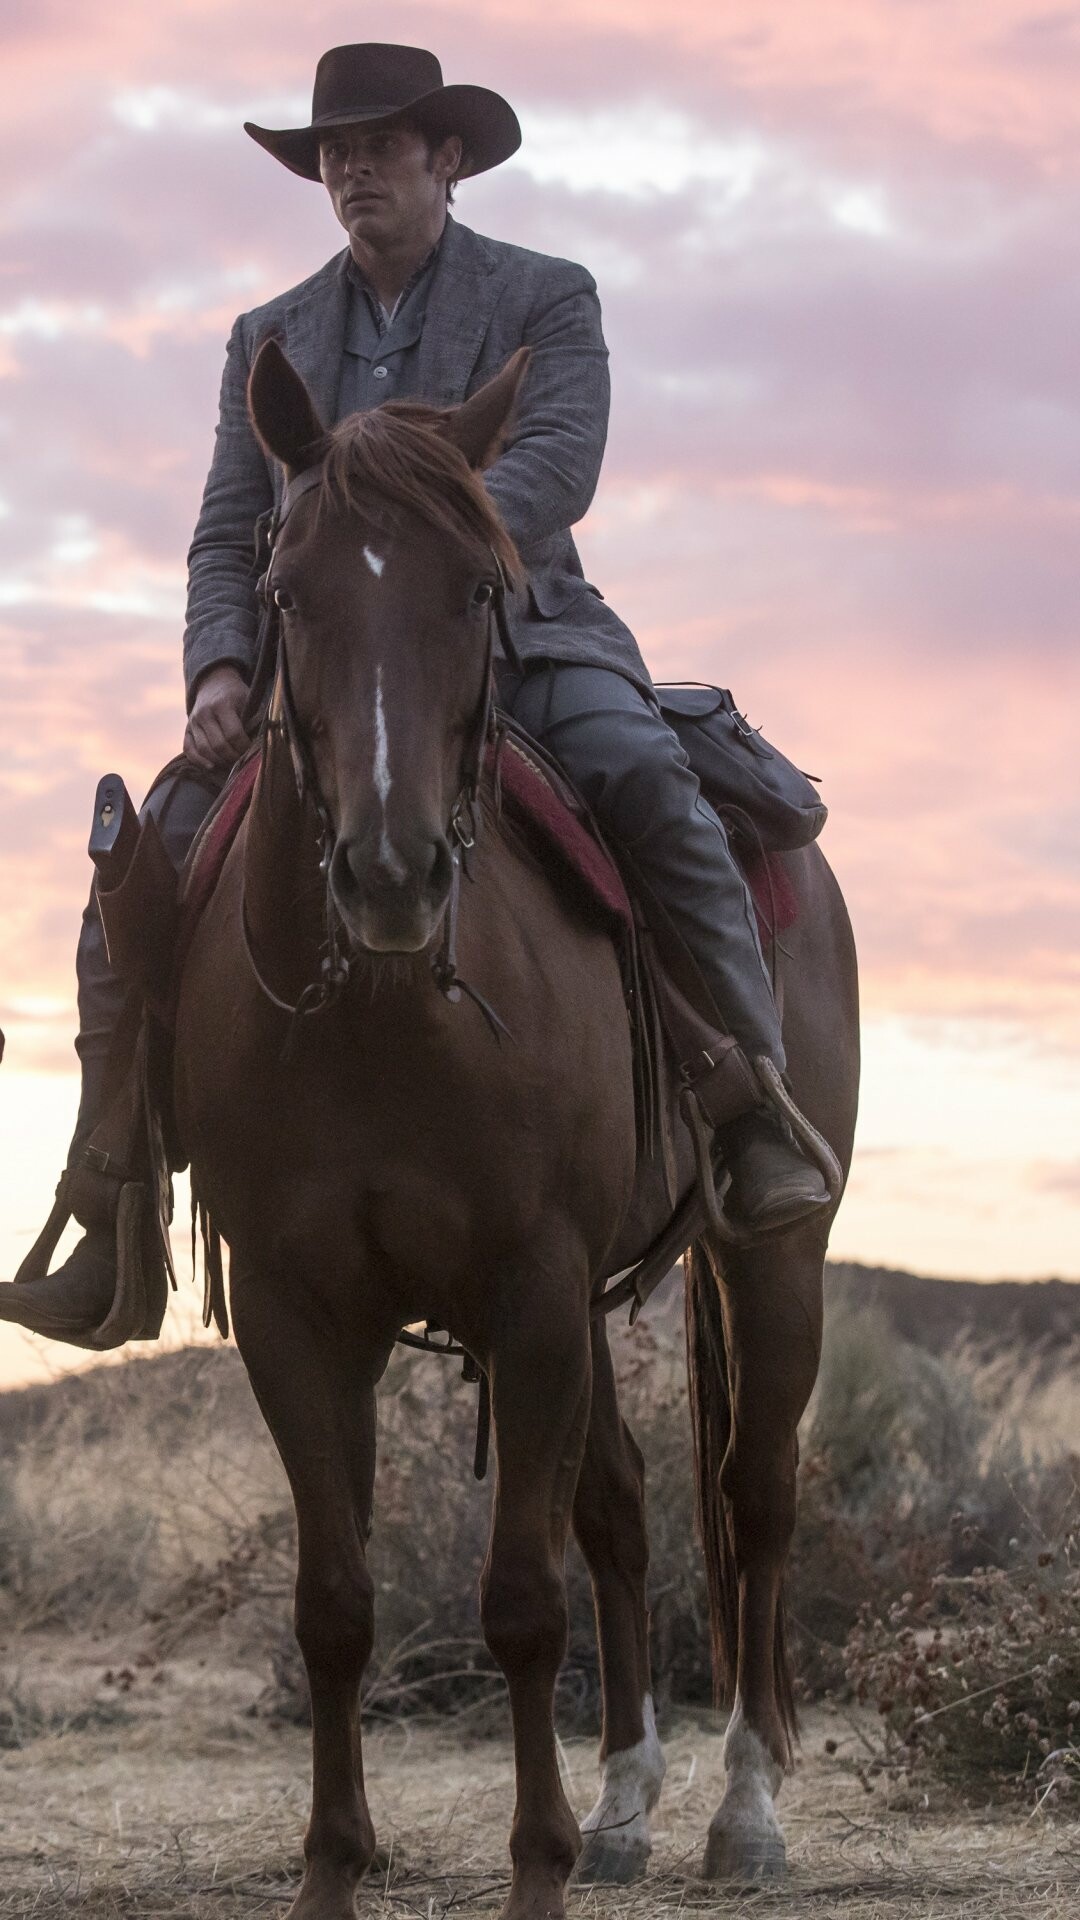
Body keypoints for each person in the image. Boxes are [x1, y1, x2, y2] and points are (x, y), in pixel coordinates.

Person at [8, 42, 829, 1348]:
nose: (352, 169)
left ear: (446, 160)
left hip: (526, 637)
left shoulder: (548, 297)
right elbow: (229, 525)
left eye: (381, 146)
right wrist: (221, 665)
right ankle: (107, 1191)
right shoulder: (264, 336)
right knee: (143, 858)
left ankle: (748, 1113)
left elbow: (559, 459)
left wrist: (414, 542)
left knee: (650, 786)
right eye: (334, 151)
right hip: (320, 674)